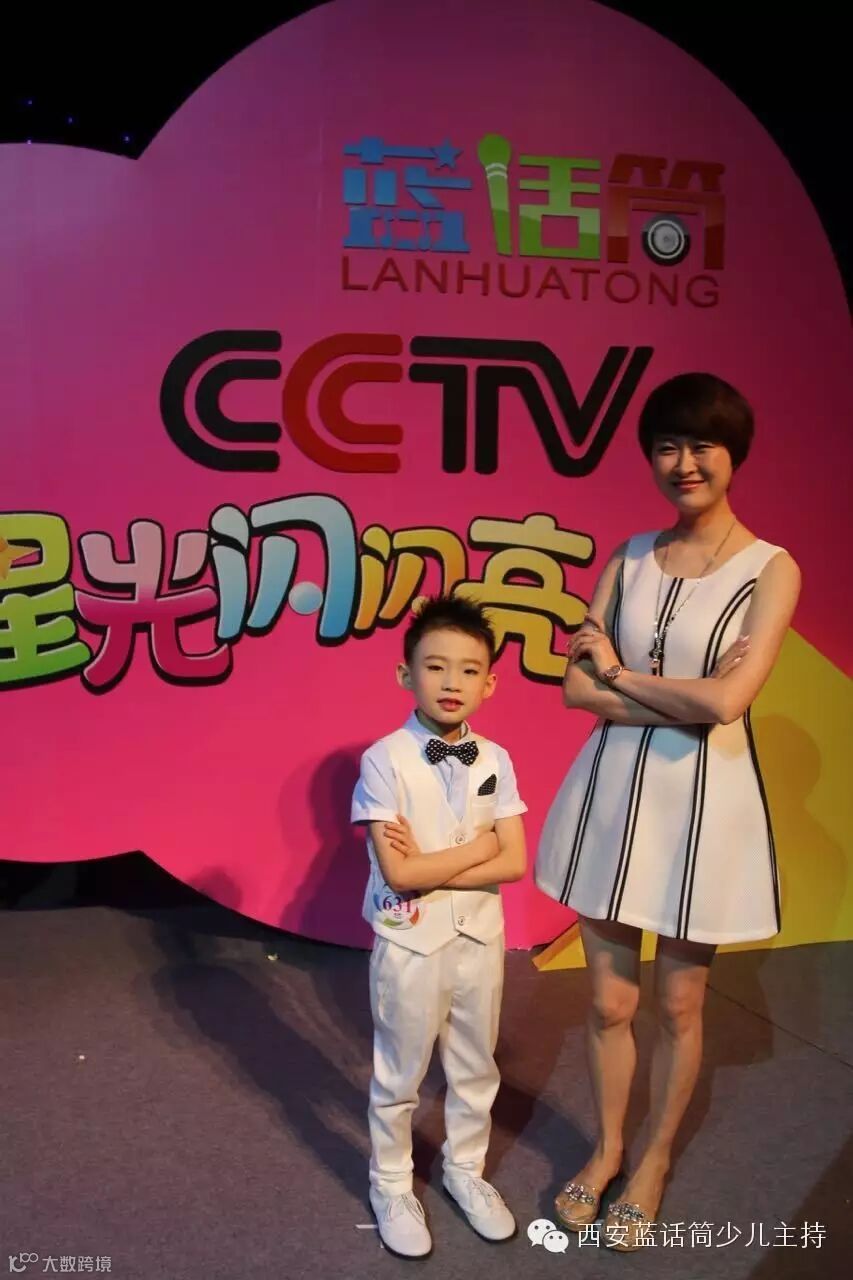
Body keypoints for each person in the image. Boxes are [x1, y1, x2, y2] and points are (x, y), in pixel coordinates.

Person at [535, 372, 801, 1250]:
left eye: (701, 445)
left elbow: (728, 703)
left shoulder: (770, 569)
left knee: (679, 1007)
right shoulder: (627, 558)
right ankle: (607, 1148)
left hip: (703, 813)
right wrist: (671, 693)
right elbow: (575, 690)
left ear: (733, 454)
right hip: (610, 801)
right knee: (609, 1003)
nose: (683, 463)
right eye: (666, 447)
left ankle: (651, 1161)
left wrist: (619, 674)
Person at [352, 594, 528, 1258]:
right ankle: (392, 1183)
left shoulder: (496, 759)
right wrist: (478, 850)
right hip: (409, 939)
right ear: (406, 674)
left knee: (476, 1066)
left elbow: (514, 861)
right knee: (399, 1073)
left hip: (480, 937)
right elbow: (398, 874)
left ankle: (465, 1170)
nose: (451, 682)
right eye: (435, 666)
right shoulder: (383, 759)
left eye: (468, 670)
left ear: (490, 683)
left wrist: (434, 865)